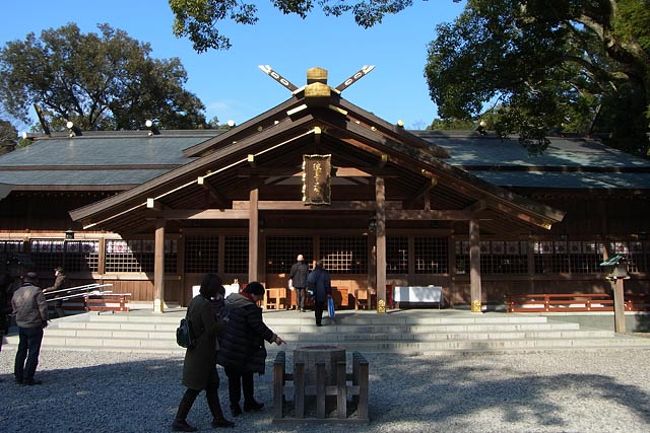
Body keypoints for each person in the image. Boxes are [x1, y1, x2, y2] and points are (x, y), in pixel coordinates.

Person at [171, 273, 234, 432]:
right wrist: (224, 322)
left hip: (199, 350)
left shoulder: (195, 301)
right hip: (203, 352)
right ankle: (179, 420)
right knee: (194, 388)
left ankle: (218, 417)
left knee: (212, 385)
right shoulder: (205, 305)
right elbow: (211, 329)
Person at [218, 282, 285, 417]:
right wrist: (274, 338)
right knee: (246, 375)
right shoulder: (248, 307)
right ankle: (248, 402)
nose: (259, 300)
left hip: (229, 344)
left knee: (234, 378)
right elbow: (258, 326)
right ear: (253, 294)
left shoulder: (230, 301)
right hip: (243, 346)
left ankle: (235, 405)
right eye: (259, 297)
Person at [12, 272, 48, 385]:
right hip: (34, 324)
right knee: (33, 351)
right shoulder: (37, 291)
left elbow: (14, 307)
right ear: (35, 280)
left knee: (21, 350)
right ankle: (28, 377)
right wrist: (44, 319)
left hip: (21, 324)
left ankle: (18, 375)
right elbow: (42, 308)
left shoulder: (17, 292)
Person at [306, 260, 332, 327]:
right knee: (320, 307)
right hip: (322, 293)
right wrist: (328, 293)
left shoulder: (312, 274)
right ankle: (319, 320)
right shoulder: (325, 274)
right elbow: (327, 284)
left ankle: (317, 320)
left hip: (314, 293)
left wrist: (310, 294)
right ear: (322, 266)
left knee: (316, 307)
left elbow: (309, 284)